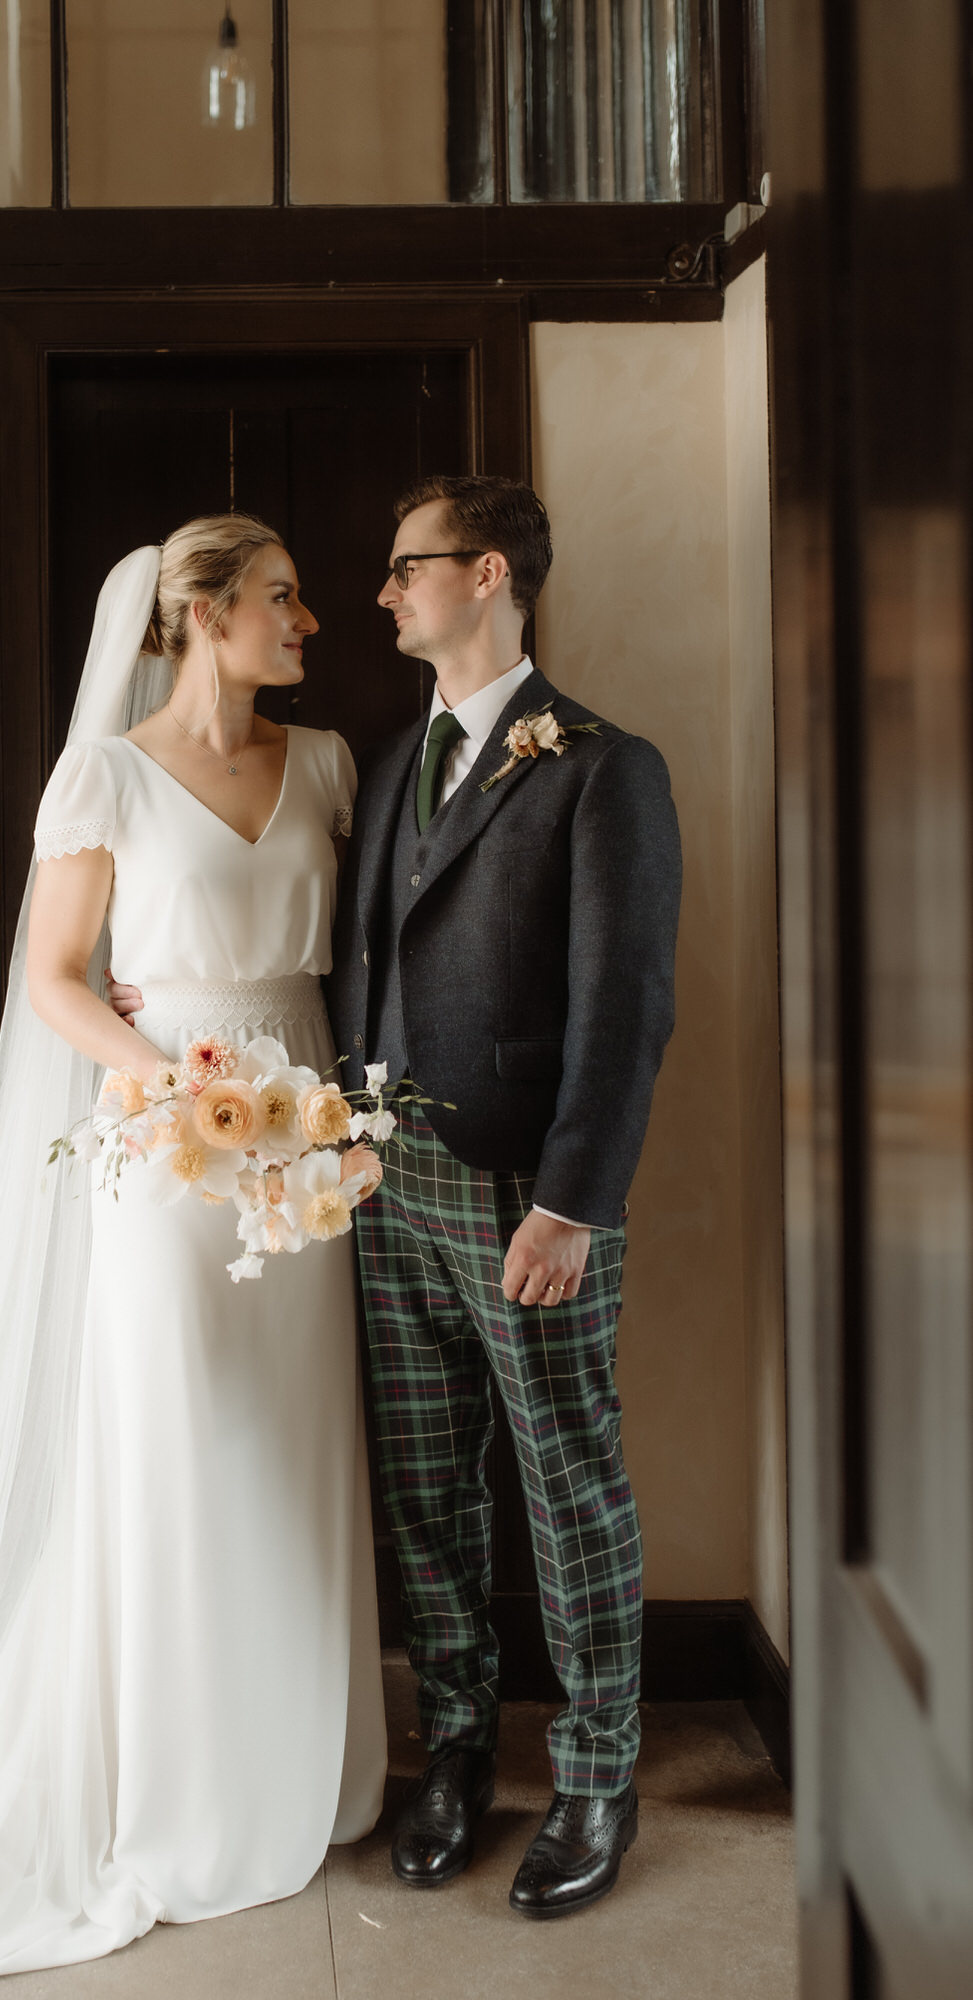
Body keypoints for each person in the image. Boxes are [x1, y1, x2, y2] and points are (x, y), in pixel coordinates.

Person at [0, 518, 387, 2000]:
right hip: (167, 1154)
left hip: (312, 1138)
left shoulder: (333, 763)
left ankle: (301, 1767)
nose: (308, 622)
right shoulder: (103, 775)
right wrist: (175, 1087)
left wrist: (315, 1127)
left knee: (294, 1446)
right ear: (203, 616)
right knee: (176, 1445)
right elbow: (52, 980)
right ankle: (171, 1788)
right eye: (280, 598)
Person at [328, 474, 681, 1918]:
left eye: (403, 567)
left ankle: (599, 1772)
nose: (382, 592)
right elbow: (361, 961)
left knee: (563, 1476)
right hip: (382, 1184)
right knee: (425, 1490)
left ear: (483, 574)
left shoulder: (602, 765)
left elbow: (626, 1006)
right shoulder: (384, 757)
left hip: (526, 1189)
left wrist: (572, 1203)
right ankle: (459, 1748)